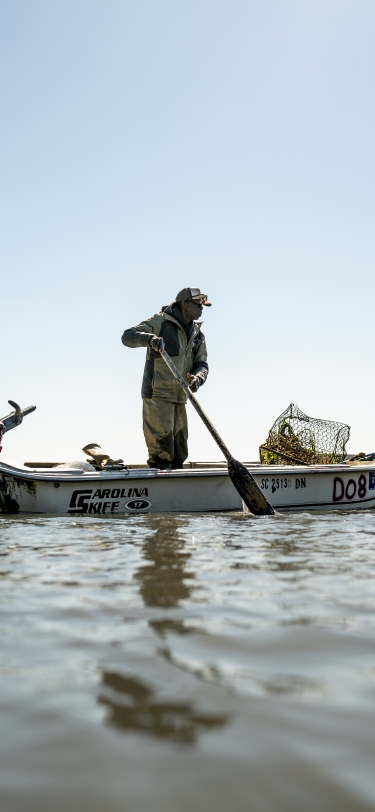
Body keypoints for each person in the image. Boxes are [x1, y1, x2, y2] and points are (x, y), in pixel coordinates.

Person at [122, 287, 211, 469]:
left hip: (181, 397)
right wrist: (150, 339)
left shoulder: (197, 335)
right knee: (161, 450)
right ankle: (159, 484)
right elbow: (127, 336)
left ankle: (177, 488)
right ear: (184, 304)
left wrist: (198, 378)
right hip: (158, 395)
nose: (201, 309)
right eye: (197, 305)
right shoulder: (161, 321)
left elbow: (202, 364)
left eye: (203, 306)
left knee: (179, 451)